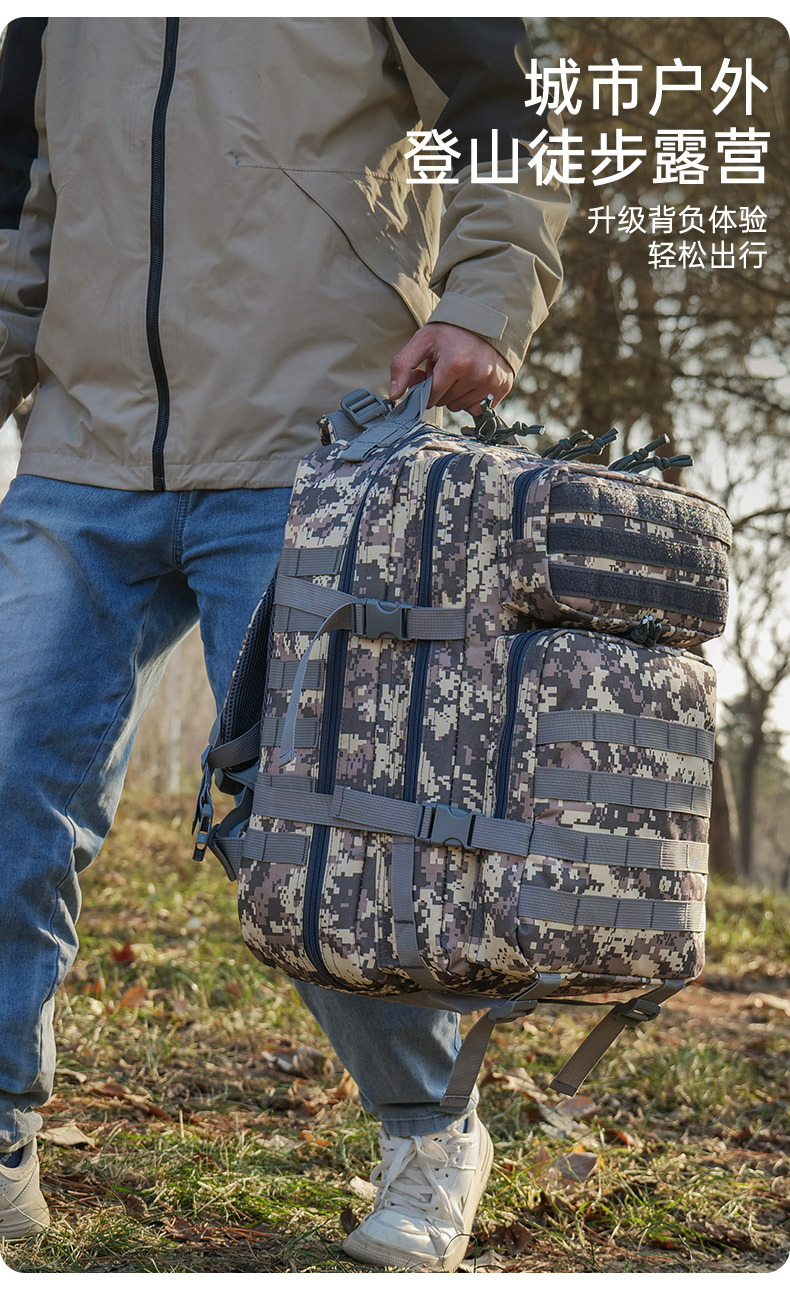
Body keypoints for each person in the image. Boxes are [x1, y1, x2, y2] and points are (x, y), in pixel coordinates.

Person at [0, 17, 568, 1271]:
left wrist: (485, 300)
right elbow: (25, 193)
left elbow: (512, 102)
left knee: (317, 818)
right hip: (80, 449)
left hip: (321, 435)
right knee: (3, 779)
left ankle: (428, 1130)